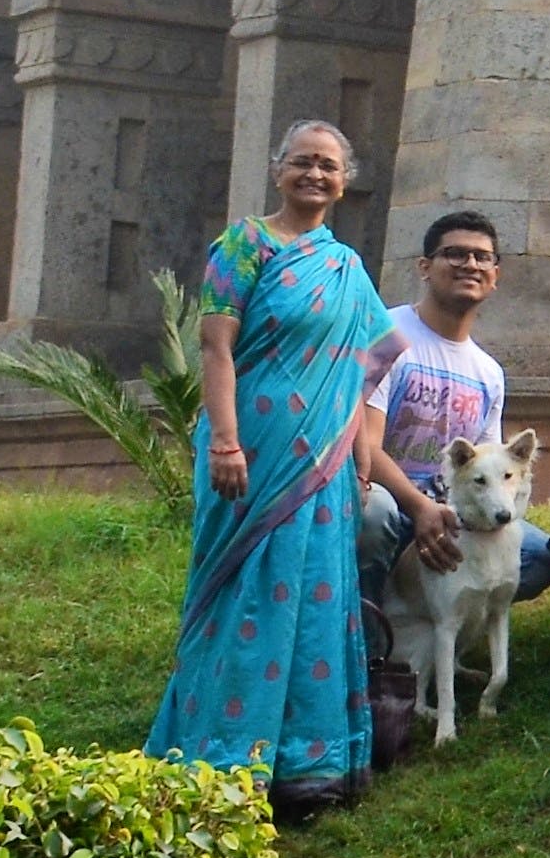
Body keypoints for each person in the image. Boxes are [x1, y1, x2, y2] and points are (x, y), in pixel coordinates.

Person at [153, 122, 389, 821]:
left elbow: (376, 357)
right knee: (248, 596)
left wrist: (360, 451)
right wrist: (225, 441)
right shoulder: (244, 245)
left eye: (329, 165)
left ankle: (310, 767)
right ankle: (222, 756)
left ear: (345, 179)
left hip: (324, 464)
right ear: (277, 169)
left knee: (318, 599)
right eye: (303, 163)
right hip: (251, 452)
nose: (315, 175)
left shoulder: (345, 264)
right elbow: (215, 347)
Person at [355, 204, 547, 613]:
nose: (470, 264)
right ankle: (364, 641)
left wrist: (456, 518)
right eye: (455, 254)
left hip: (452, 520)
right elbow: (366, 447)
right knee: (373, 516)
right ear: (425, 266)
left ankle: (437, 629)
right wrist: (420, 507)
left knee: (538, 554)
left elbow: (490, 470)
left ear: (495, 277)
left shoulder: (488, 372)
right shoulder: (387, 336)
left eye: (482, 257)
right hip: (391, 503)